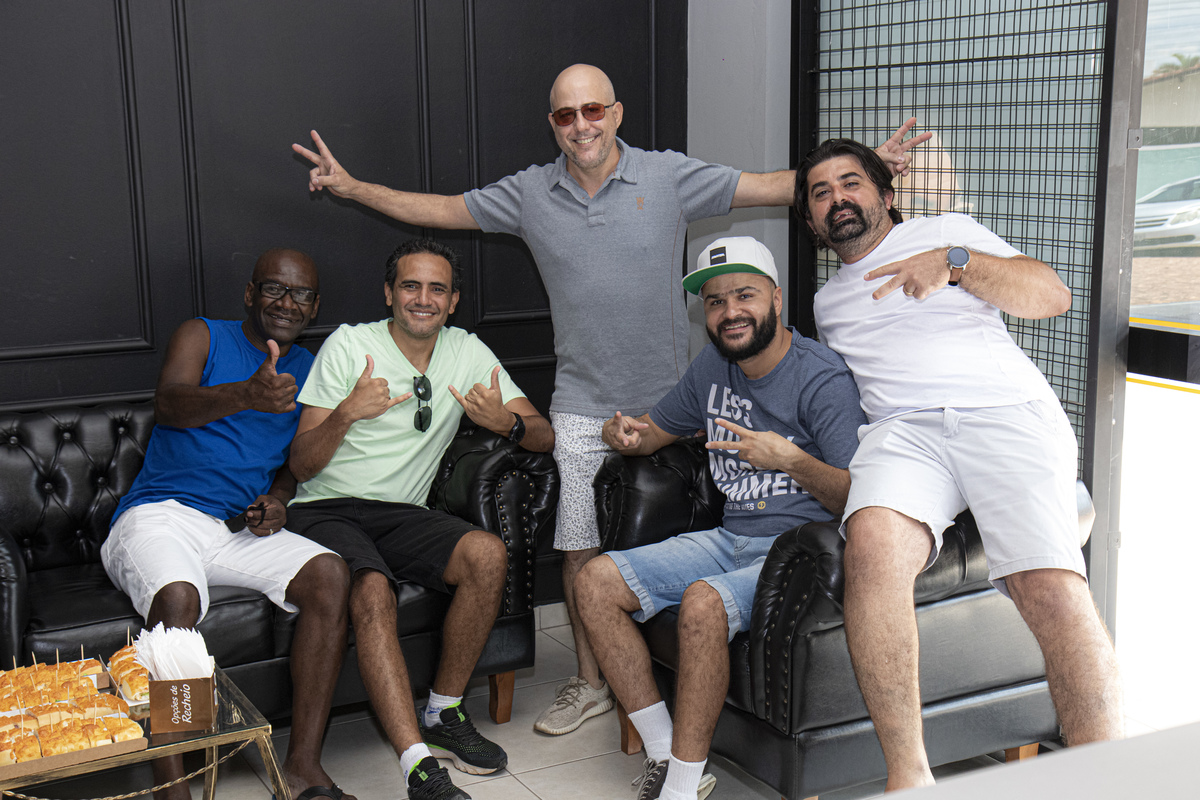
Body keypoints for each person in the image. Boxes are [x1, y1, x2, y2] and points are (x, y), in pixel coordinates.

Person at [292, 64, 929, 736]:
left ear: (616, 113)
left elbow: (770, 184)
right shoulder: (529, 194)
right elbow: (444, 209)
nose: (581, 126)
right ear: (553, 125)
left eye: (592, 110)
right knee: (579, 548)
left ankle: (665, 674)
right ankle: (591, 683)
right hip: (580, 405)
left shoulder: (667, 175)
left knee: (680, 534)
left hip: (673, 402)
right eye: (566, 116)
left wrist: (868, 167)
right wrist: (351, 186)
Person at [794, 138, 1124, 790]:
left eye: (852, 182)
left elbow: (1051, 296)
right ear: (810, 221)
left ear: (885, 195)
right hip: (904, 435)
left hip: (1001, 412)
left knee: (1048, 586)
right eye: (821, 192)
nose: (838, 199)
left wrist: (955, 262)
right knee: (871, 547)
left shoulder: (945, 233)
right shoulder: (827, 305)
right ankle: (909, 778)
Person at [575, 237, 866, 800]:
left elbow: (857, 498)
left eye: (744, 295)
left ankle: (679, 790)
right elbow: (652, 433)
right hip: (730, 537)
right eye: (715, 301)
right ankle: (665, 754)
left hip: (798, 553)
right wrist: (623, 434)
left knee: (704, 603)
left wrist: (791, 460)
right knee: (594, 582)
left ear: (775, 299)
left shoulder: (821, 378)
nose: (730, 311)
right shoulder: (714, 365)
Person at [285, 239, 554, 800]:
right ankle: (417, 765)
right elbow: (301, 464)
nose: (423, 299)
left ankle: (443, 712)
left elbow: (543, 434)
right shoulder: (349, 345)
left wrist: (505, 422)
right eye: (410, 286)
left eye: (437, 289)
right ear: (389, 293)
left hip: (403, 515)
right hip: (325, 508)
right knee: (372, 588)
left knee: (487, 554)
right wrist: (346, 413)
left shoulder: (467, 350)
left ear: (453, 301)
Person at [102, 249, 354, 800]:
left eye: (301, 294)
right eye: (274, 288)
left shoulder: (311, 369)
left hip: (237, 529)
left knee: (330, 574)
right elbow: (169, 404)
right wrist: (247, 393)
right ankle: (174, 790)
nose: (287, 303)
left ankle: (302, 767)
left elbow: (293, 463)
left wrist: (279, 500)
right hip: (160, 514)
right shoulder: (203, 335)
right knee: (178, 600)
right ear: (249, 293)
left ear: (315, 306)